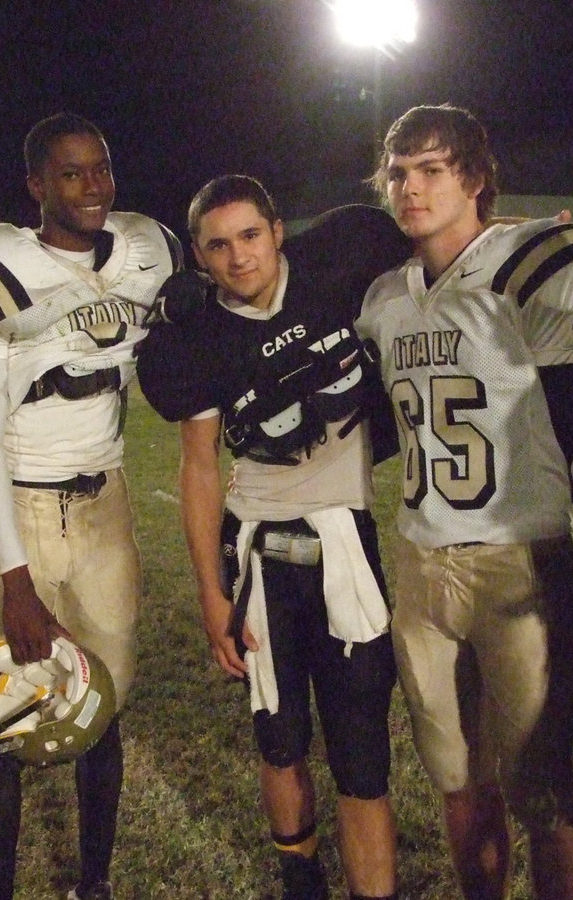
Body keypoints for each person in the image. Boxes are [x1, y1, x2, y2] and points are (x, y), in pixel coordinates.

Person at [0, 112, 181, 900]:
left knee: (104, 708)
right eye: (71, 173)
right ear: (37, 186)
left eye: (100, 168)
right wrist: (15, 580)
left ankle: (93, 883)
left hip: (108, 504)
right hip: (23, 509)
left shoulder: (143, 255)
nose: (92, 185)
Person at [137, 176, 408, 900]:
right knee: (279, 736)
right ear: (198, 255)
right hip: (258, 548)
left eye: (250, 235)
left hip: (344, 537)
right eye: (218, 245)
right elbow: (198, 469)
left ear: (279, 230)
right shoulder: (195, 341)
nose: (239, 257)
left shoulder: (340, 271)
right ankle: (300, 879)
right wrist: (208, 589)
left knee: (361, 755)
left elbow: (443, 240)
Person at [355, 104, 573, 900]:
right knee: (455, 776)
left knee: (545, 787)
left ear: (476, 178)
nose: (410, 187)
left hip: (519, 555)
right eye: (398, 171)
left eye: (431, 170)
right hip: (422, 561)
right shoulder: (385, 295)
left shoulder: (526, 264)